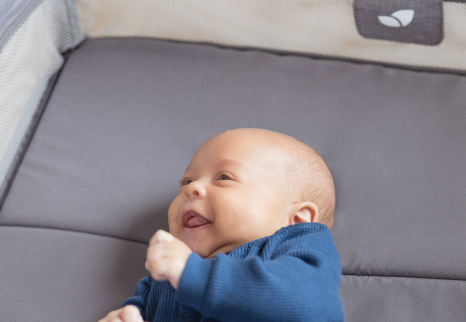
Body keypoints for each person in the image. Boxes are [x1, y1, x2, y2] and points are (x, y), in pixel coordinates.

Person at [99, 128, 344, 322]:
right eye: (186, 181)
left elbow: (306, 305)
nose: (191, 189)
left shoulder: (296, 247)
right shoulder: (160, 279)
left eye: (224, 177)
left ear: (296, 220)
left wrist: (191, 272)